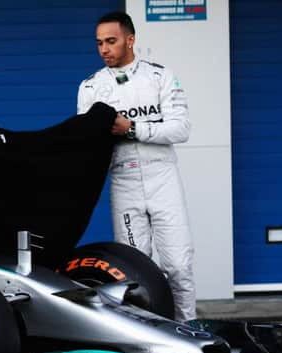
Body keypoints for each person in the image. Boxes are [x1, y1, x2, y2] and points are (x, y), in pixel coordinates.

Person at [76, 11, 196, 323]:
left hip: (162, 178)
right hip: (124, 181)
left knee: (179, 267)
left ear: (130, 40)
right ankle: (147, 340)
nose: (104, 49)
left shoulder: (160, 77)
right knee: (134, 271)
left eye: (111, 41)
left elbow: (181, 129)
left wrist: (132, 128)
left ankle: (189, 332)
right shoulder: (90, 88)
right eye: (99, 43)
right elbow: (85, 141)